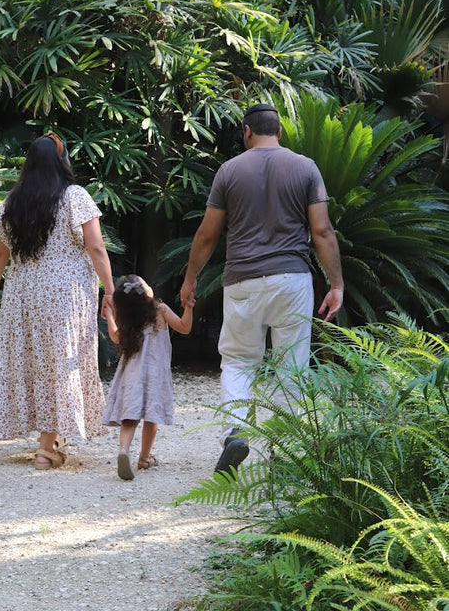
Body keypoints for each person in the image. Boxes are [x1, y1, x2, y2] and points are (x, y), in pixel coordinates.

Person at [180, 103, 344, 475]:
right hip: (293, 279)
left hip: (243, 280)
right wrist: (336, 284)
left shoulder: (229, 171)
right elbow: (322, 231)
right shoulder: (306, 167)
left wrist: (190, 279)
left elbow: (207, 234)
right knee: (292, 364)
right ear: (280, 133)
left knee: (238, 361)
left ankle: (236, 433)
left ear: (247, 132)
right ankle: (284, 450)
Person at [0, 132, 115, 470]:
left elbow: (0, 253)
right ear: (61, 161)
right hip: (64, 297)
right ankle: (46, 449)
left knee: (34, 361)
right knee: (60, 363)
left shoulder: (13, 202)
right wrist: (110, 290)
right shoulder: (74, 197)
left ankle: (51, 437)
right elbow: (96, 246)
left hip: (24, 296)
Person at [102, 274, 194, 481]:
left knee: (130, 416)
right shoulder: (160, 311)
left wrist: (109, 315)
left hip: (130, 375)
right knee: (151, 416)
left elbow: (116, 337)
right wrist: (188, 307)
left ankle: (124, 451)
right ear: (146, 294)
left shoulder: (127, 317)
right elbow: (184, 327)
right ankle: (144, 458)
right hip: (155, 373)